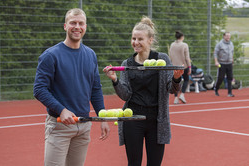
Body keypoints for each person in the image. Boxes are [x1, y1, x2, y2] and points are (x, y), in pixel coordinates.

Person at [33, 8, 110, 166]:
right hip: (59, 126)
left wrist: (103, 117)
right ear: (65, 26)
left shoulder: (91, 55)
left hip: (84, 126)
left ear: (85, 27)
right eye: (73, 23)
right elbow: (39, 89)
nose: (77, 26)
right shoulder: (50, 55)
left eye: (81, 23)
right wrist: (61, 109)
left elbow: (95, 89)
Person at [103, 16, 183, 166]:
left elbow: (171, 89)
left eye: (140, 39)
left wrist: (177, 79)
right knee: (134, 163)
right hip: (132, 118)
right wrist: (115, 80)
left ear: (150, 40)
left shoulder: (162, 59)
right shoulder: (127, 64)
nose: (135, 42)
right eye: (133, 38)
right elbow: (125, 94)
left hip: (157, 120)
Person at [169, 31, 191, 104]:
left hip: (174, 66)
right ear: (182, 37)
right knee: (186, 80)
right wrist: (189, 66)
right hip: (183, 66)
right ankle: (182, 94)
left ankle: (175, 98)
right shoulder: (184, 45)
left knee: (176, 81)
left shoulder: (172, 45)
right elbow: (187, 57)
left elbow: (170, 56)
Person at [214, 32, 235, 97]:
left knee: (230, 78)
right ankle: (216, 88)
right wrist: (216, 61)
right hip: (222, 63)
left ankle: (229, 93)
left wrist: (232, 60)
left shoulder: (231, 43)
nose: (228, 37)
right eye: (227, 36)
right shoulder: (220, 44)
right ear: (224, 36)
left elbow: (232, 52)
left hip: (229, 63)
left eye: (229, 36)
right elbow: (215, 53)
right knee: (221, 78)